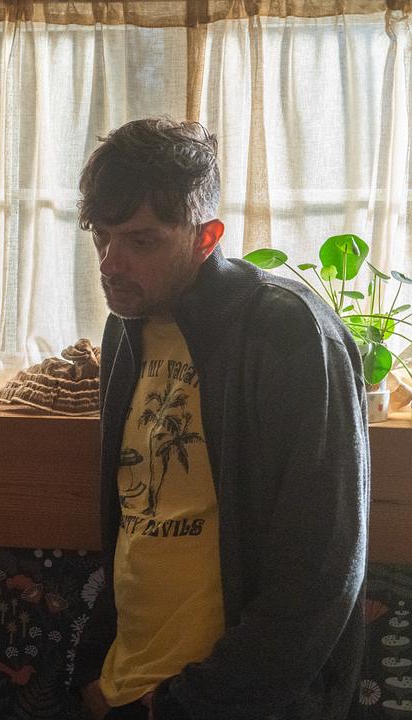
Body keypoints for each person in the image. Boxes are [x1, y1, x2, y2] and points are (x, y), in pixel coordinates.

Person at [71, 118, 368, 720]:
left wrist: (186, 704)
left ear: (207, 237)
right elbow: (133, 523)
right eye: (101, 237)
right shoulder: (126, 328)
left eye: (142, 242)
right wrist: (94, 673)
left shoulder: (287, 329)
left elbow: (320, 571)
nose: (110, 263)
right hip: (122, 688)